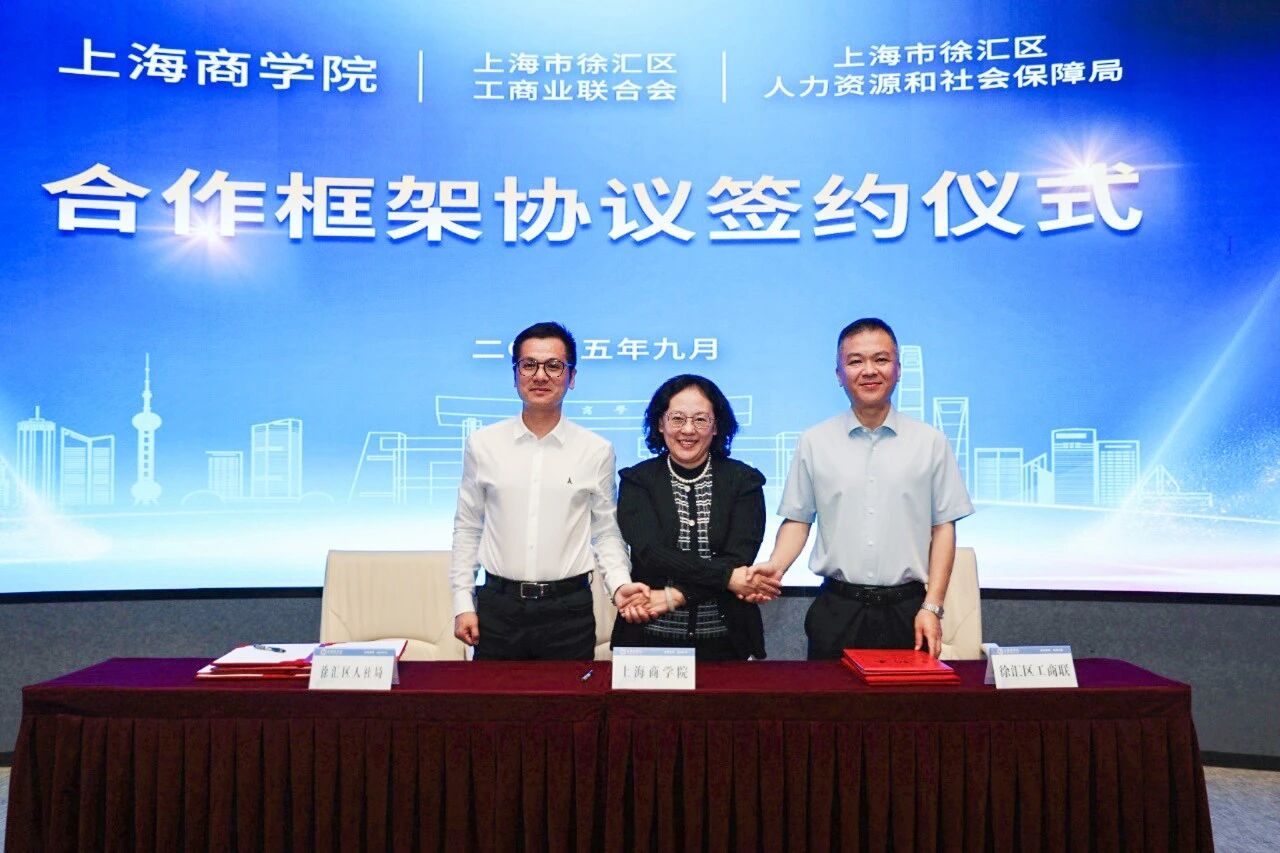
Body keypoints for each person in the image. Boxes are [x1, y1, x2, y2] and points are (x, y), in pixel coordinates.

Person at [747, 318, 973, 659]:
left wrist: (933, 606)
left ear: (898, 369)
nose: (869, 370)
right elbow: (798, 519)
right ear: (839, 374)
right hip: (837, 609)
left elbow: (943, 527)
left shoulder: (931, 442)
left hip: (908, 611)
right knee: (830, 696)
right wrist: (775, 567)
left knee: (909, 696)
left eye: (881, 359)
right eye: (855, 361)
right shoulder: (814, 441)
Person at [450, 321, 648, 660]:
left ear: (572, 377)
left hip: (568, 610)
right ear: (515, 374)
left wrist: (619, 584)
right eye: (529, 365)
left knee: (569, 696)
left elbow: (605, 532)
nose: (540, 376)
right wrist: (462, 602)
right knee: (494, 696)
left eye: (554, 366)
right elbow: (468, 527)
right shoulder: (483, 444)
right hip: (499, 607)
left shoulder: (596, 450)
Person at [612, 375, 781, 661]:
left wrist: (673, 597)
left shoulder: (744, 481)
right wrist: (726, 578)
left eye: (701, 420)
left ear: (716, 426)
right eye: (677, 418)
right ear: (660, 423)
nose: (688, 430)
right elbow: (651, 553)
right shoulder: (637, 481)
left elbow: (738, 558)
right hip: (649, 637)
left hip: (728, 642)